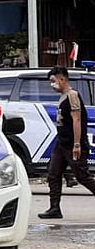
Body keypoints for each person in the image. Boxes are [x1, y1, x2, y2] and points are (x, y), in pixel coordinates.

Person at [38, 66, 95, 219]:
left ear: (62, 79)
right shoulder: (63, 96)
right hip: (62, 143)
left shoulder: (72, 95)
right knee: (53, 174)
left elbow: (77, 120)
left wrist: (77, 144)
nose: (52, 85)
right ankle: (54, 208)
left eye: (53, 81)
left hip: (73, 144)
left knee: (82, 176)